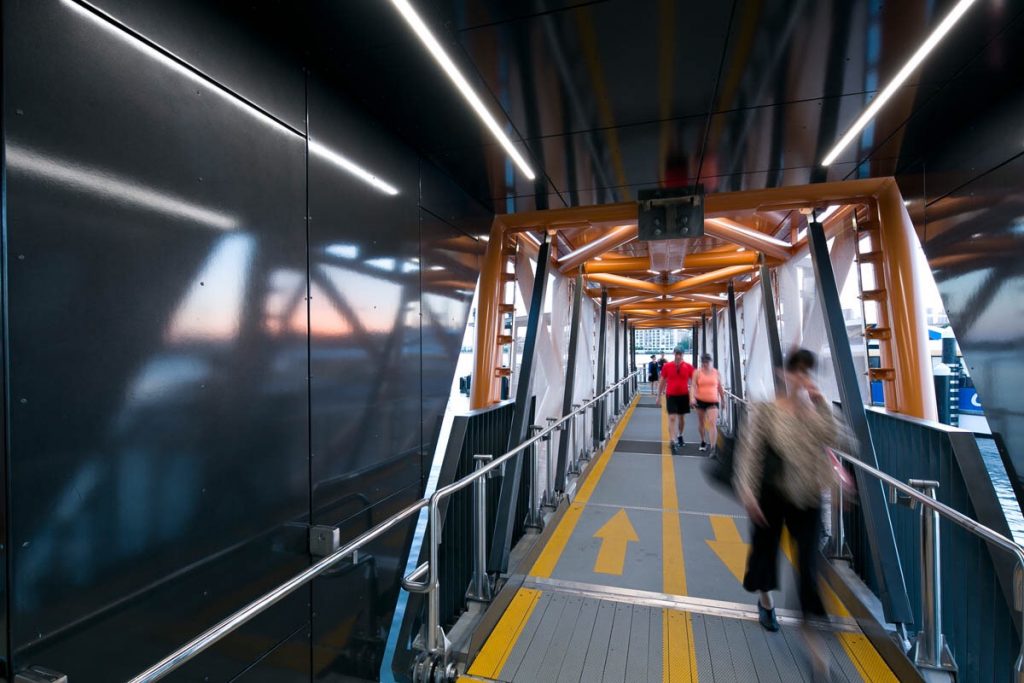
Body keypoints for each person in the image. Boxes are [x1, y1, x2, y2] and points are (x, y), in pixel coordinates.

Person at [734, 349, 838, 678]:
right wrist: (747, 489)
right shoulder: (766, 410)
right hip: (770, 497)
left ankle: (815, 649)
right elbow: (750, 451)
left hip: (807, 497)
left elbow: (836, 440)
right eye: (797, 371)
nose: (802, 378)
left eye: (807, 372)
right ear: (784, 374)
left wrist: (821, 404)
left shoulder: (816, 411)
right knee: (765, 553)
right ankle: (765, 601)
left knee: (808, 567)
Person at [657, 346, 694, 454]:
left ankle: (680, 435)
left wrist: (692, 398)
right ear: (673, 354)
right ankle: (672, 441)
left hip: (683, 395)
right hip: (671, 395)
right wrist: (658, 396)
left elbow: (692, 384)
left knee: (681, 418)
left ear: (683, 355)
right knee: (672, 417)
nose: (678, 356)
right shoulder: (667, 366)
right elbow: (662, 381)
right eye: (676, 353)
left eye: (680, 354)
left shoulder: (689, 367)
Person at [692, 354, 724, 451]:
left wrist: (723, 400)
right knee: (701, 423)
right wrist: (692, 398)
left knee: (712, 423)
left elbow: (719, 387)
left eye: (707, 362)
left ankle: (713, 447)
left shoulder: (716, 373)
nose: (705, 364)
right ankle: (703, 440)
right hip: (700, 400)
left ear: (711, 362)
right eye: (703, 362)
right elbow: (693, 386)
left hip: (713, 401)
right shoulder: (697, 373)